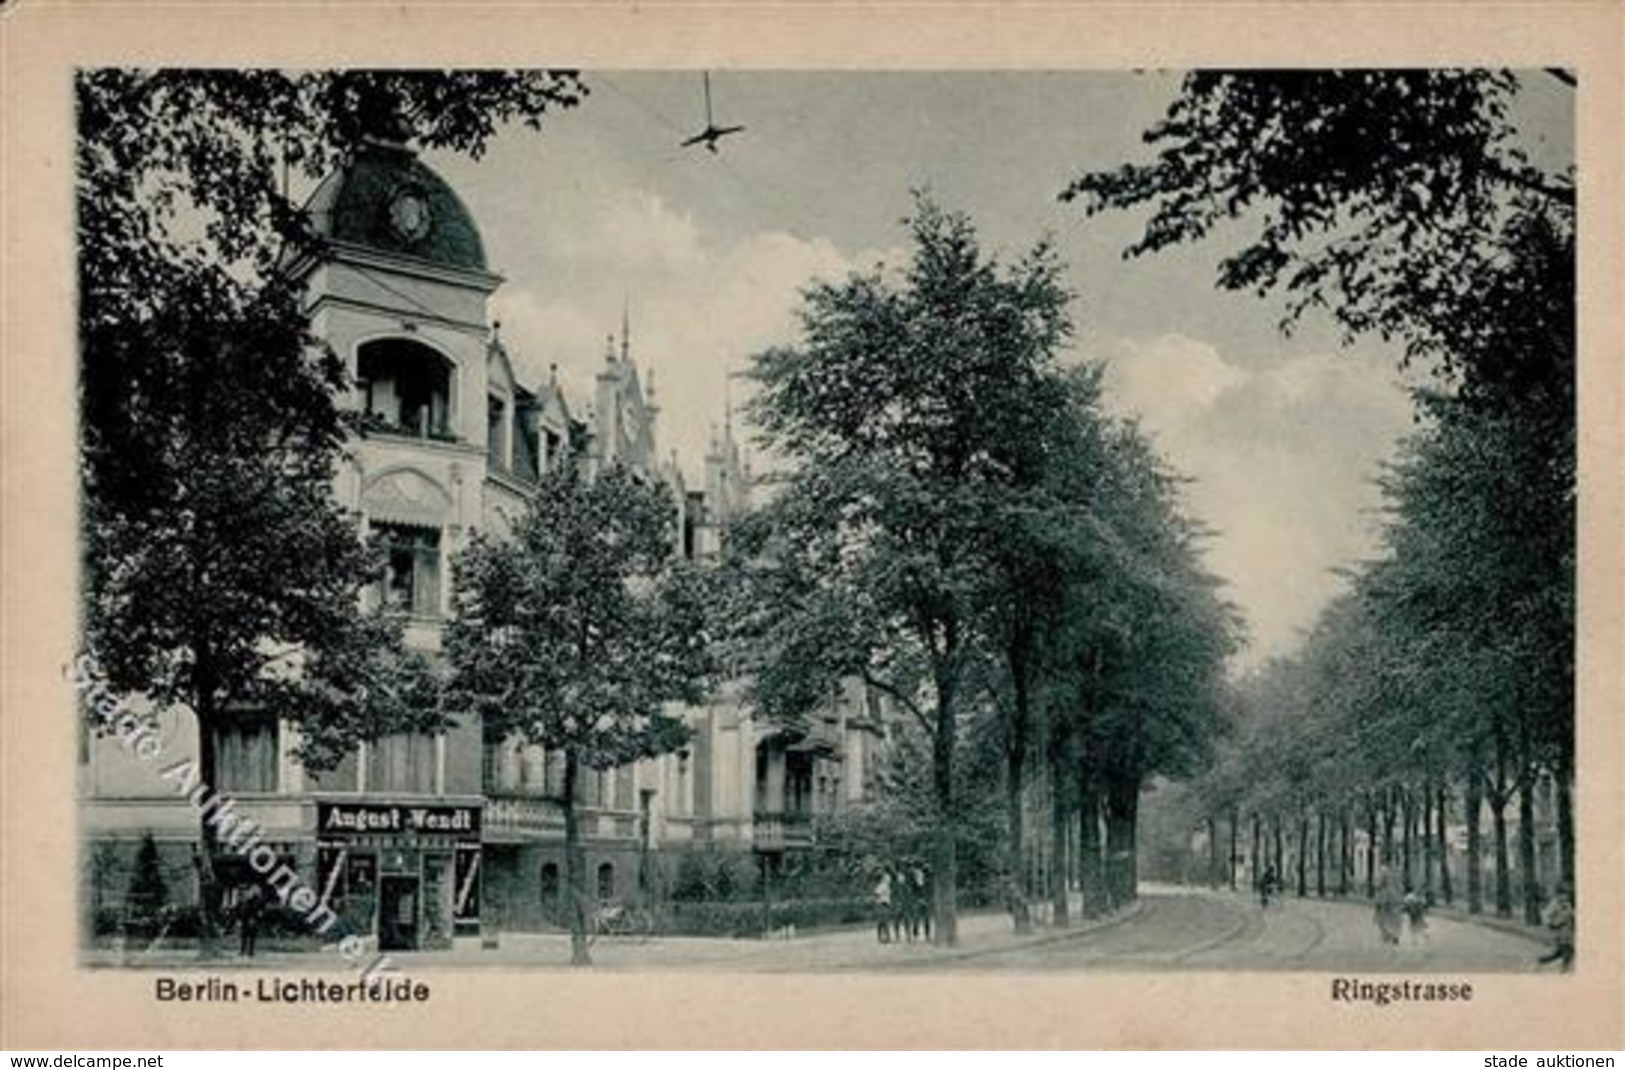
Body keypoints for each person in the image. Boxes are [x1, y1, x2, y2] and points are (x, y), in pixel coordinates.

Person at [1538, 883, 1575, 970]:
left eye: (1568, 895)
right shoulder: (1554, 903)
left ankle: (1561, 958)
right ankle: (1564, 964)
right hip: (1558, 930)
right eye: (1564, 895)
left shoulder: (1567, 903)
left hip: (1567, 929)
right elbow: (1546, 914)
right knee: (1565, 946)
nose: (1566, 897)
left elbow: (1570, 914)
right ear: (1559, 894)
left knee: (1567, 946)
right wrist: (1552, 923)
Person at [1373, 869, 1403, 946]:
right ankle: (1395, 935)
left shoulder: (1383, 871)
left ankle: (1387, 934)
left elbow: (1378, 884)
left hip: (1385, 897)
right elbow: (1401, 886)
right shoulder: (1397, 871)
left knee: (1383, 917)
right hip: (1396, 897)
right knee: (1395, 918)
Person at [236, 883, 265, 958]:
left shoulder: (257, 900)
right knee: (244, 935)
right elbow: (239, 910)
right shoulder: (243, 899)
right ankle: (243, 951)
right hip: (245, 918)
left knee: (251, 935)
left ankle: (250, 951)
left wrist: (255, 918)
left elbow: (259, 910)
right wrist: (239, 919)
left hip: (251, 918)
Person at [872, 868, 893, 945]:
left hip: (884, 904)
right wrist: (879, 900)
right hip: (882, 904)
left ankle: (884, 937)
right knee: (883, 921)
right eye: (887, 879)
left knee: (884, 922)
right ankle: (884, 937)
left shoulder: (886, 886)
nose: (888, 880)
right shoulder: (882, 886)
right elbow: (876, 894)